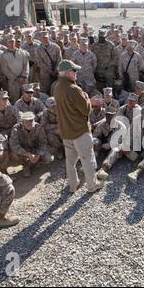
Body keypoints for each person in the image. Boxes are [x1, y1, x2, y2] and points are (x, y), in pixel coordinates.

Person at [54, 60, 104, 193]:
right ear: (69, 73)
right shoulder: (74, 89)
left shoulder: (57, 87)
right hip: (80, 131)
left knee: (70, 162)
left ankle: (73, 185)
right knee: (87, 159)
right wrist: (91, 101)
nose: (76, 73)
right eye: (74, 71)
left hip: (66, 132)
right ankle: (92, 186)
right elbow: (86, 110)